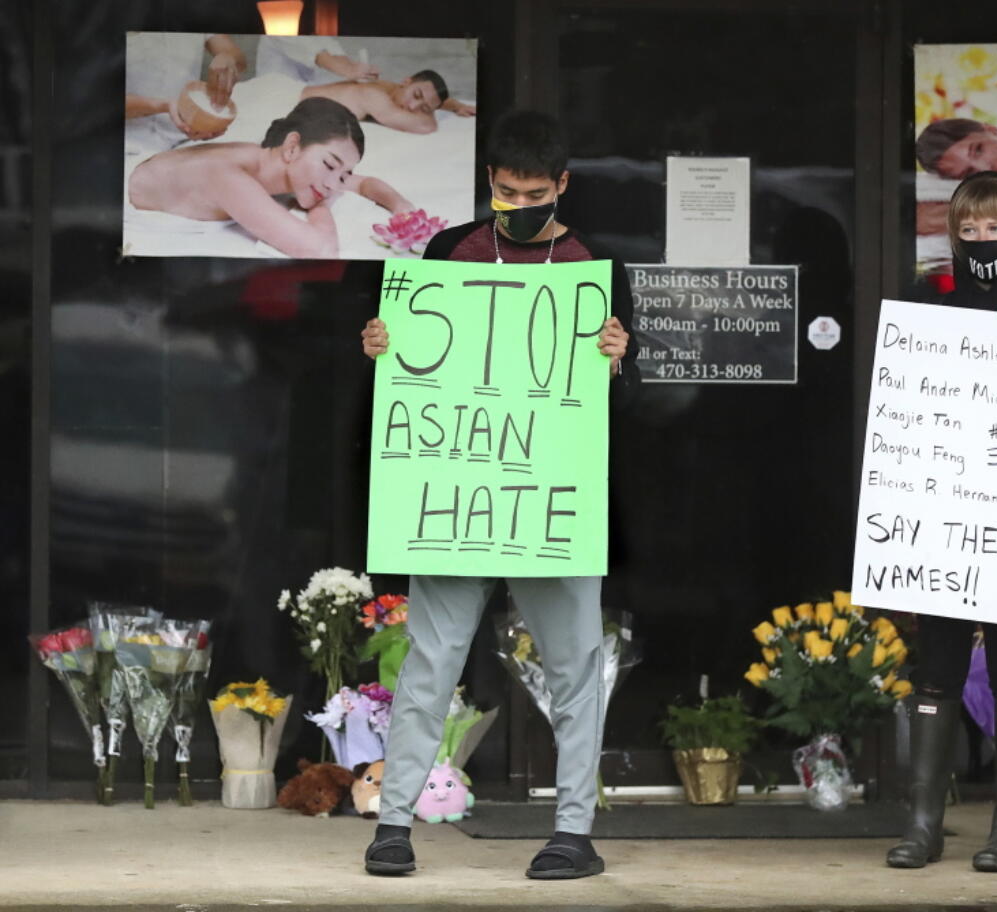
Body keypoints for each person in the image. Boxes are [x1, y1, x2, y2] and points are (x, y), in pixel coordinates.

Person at [359, 110, 638, 880]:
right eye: (508, 191)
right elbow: (406, 360)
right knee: (429, 661)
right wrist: (381, 346)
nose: (520, 204)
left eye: (535, 192)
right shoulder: (449, 252)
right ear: (489, 183)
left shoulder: (596, 268)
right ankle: (393, 825)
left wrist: (620, 360)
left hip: (552, 501)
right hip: (459, 496)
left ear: (563, 186)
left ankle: (574, 833)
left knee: (575, 664)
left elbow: (632, 406)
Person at [887, 171, 997, 874]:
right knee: (937, 667)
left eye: (996, 227)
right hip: (943, 519)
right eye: (970, 230)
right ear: (953, 237)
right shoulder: (927, 301)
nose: (983, 241)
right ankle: (923, 825)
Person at [127, 97, 414, 259]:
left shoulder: (274, 163)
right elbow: (320, 250)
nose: (332, 184)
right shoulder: (230, 175)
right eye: (329, 164)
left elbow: (364, 183)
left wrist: (403, 209)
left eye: (342, 174)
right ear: (292, 146)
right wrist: (320, 206)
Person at [125, 33, 247, 147]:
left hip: (188, 137)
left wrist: (228, 58)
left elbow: (238, 57)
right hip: (130, 141)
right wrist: (161, 106)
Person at [304, 69, 476, 134]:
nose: (411, 107)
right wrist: (428, 111)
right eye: (416, 95)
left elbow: (428, 97)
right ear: (406, 81)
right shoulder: (374, 96)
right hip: (290, 101)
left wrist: (457, 106)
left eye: (423, 108)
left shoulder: (393, 89)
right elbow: (427, 126)